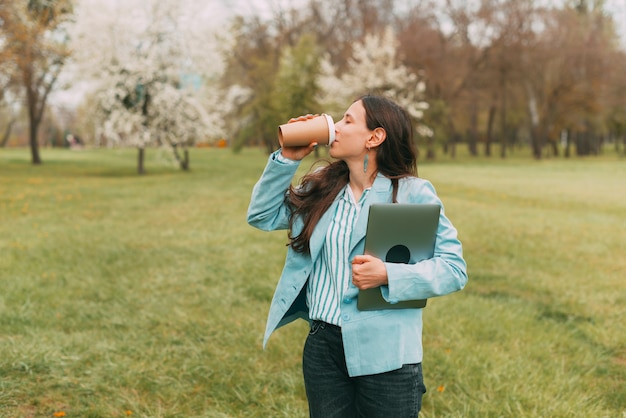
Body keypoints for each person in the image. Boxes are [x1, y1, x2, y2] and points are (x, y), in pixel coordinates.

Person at [247, 94, 468, 417]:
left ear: (375, 137)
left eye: (347, 120)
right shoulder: (323, 191)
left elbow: (453, 269)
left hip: (388, 353)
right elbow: (262, 215)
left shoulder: (411, 193)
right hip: (323, 348)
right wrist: (287, 159)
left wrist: (388, 275)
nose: (334, 128)